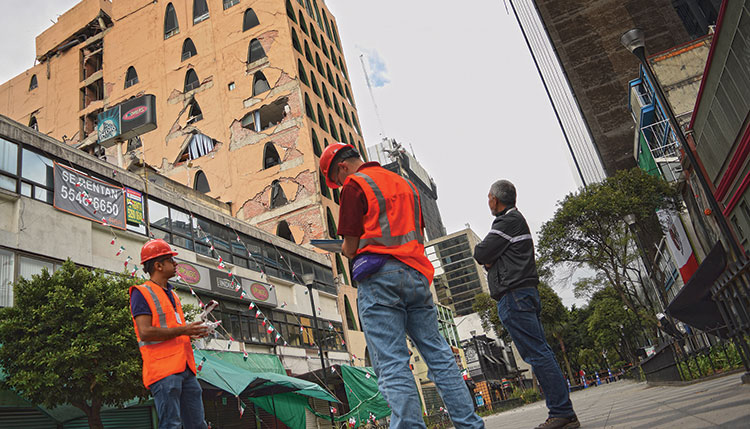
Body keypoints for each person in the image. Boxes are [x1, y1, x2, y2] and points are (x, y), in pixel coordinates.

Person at [319, 143, 484, 428]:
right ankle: (469, 424)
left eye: (338, 178)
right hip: (417, 277)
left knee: (393, 363)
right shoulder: (405, 184)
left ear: (343, 168)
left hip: (380, 279)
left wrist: (345, 250)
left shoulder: (355, 185)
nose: (340, 184)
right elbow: (415, 232)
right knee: (440, 356)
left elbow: (350, 246)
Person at [473, 180, 579, 429]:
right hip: (522, 293)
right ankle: (563, 413)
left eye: (489, 197)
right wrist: (492, 261)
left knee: (537, 353)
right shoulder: (513, 222)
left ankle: (562, 413)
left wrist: (490, 261)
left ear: (495, 200)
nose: (488, 201)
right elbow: (488, 258)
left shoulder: (506, 222)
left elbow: (480, 253)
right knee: (540, 351)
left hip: (515, 296)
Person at [130, 239, 209, 429]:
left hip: (186, 368)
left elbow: (173, 329)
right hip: (163, 371)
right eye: (170, 261)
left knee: (198, 425)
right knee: (171, 425)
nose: (175, 265)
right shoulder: (141, 293)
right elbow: (145, 332)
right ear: (158, 265)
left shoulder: (172, 295)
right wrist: (185, 330)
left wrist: (191, 332)